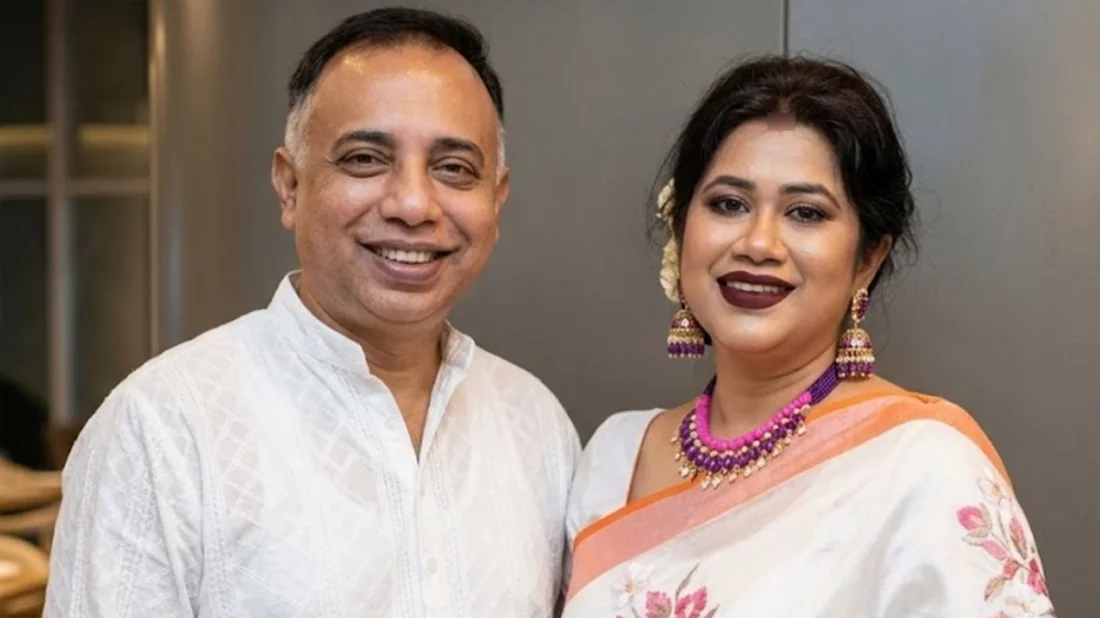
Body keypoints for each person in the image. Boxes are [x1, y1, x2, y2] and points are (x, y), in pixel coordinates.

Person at [44, 8, 580, 617]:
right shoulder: (163, 430)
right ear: (289, 186)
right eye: (365, 159)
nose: (412, 204)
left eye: (453, 169)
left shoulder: (535, 425)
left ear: (496, 201)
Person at [563, 56, 1055, 617]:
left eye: (805, 213)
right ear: (682, 226)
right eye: (729, 204)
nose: (758, 243)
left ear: (868, 258)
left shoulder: (923, 467)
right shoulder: (614, 458)